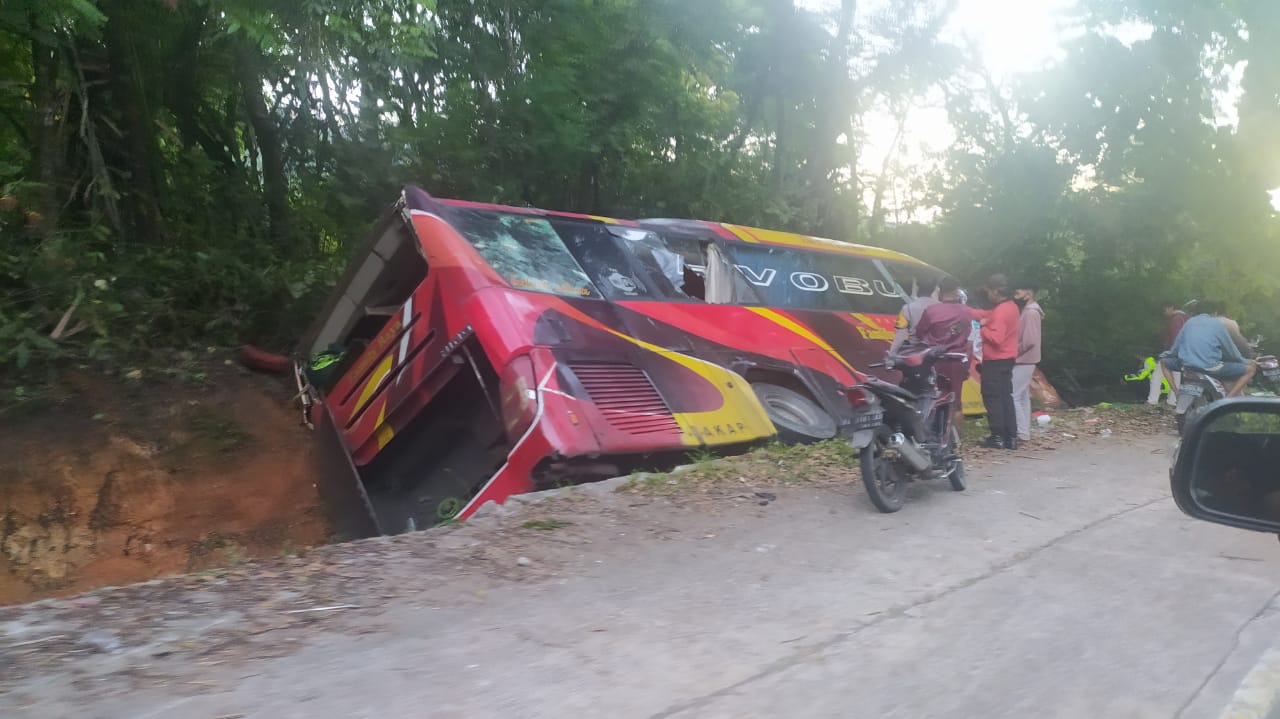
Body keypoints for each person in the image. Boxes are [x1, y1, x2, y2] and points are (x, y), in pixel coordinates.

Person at [912, 276, 974, 429]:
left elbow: (919, 333)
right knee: (956, 403)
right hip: (957, 362)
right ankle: (955, 441)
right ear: (957, 292)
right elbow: (970, 340)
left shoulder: (932, 311)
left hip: (933, 362)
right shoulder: (967, 312)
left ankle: (930, 436)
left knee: (931, 399)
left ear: (940, 290)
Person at [1169, 301, 1257, 398]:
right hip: (1210, 366)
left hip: (1188, 366)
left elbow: (1176, 345)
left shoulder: (1189, 322)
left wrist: (1170, 356)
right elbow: (1231, 349)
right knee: (1250, 369)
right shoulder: (1219, 324)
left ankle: (1176, 394)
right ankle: (1228, 400)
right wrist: (1244, 360)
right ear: (1214, 312)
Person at [972, 274, 1020, 450]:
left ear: (995, 291)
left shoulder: (1000, 311)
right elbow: (987, 314)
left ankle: (997, 436)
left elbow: (996, 338)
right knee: (1006, 397)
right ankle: (1011, 437)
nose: (988, 296)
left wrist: (983, 327)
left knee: (992, 398)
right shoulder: (1011, 307)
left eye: (989, 292)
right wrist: (969, 312)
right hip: (1008, 359)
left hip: (995, 360)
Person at [1012, 281, 1043, 443]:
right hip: (1026, 359)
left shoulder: (1031, 312)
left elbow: (1029, 340)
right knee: (1022, 395)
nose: (1015, 294)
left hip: (1024, 359)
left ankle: (1020, 432)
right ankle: (1023, 433)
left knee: (1013, 395)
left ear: (1029, 292)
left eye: (1019, 292)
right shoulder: (1029, 310)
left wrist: (1012, 352)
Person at [1150, 301, 1188, 406]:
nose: (1164, 313)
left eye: (1165, 309)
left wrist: (1170, 352)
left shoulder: (1176, 319)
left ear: (1171, 307)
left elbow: (1175, 337)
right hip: (1183, 352)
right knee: (1176, 375)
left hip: (1172, 352)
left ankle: (1152, 400)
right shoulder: (1185, 318)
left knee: (1157, 374)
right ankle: (1172, 401)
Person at [889, 276, 939, 354]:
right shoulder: (942, 308)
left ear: (917, 288)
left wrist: (892, 354)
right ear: (934, 289)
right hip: (936, 353)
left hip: (915, 353)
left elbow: (900, 335)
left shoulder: (907, 308)